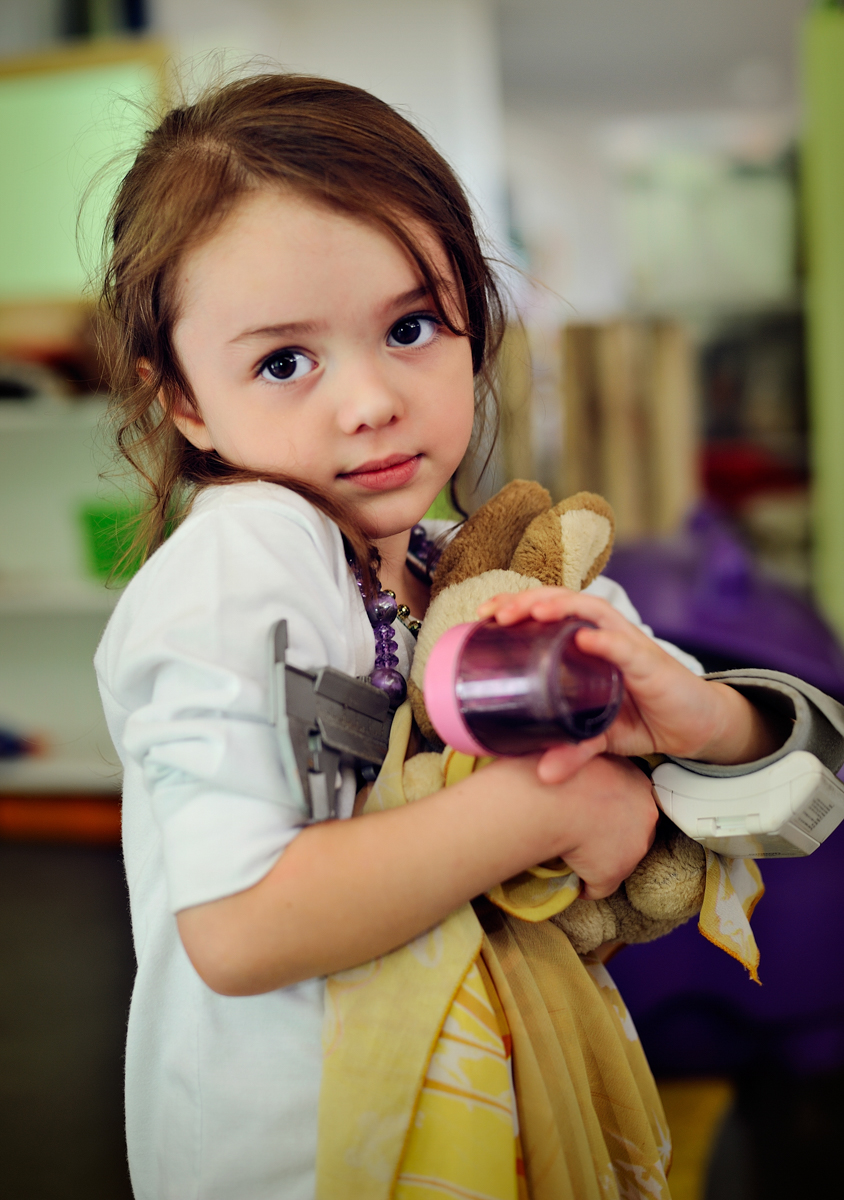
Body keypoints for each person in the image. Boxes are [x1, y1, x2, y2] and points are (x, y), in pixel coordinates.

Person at [94, 74, 785, 1199]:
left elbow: (788, 793)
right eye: (284, 361)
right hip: (313, 1159)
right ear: (183, 403)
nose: (369, 400)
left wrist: (701, 711)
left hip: (504, 1112)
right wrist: (549, 804)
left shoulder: (469, 562)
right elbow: (236, 927)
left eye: (410, 327)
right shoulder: (244, 560)